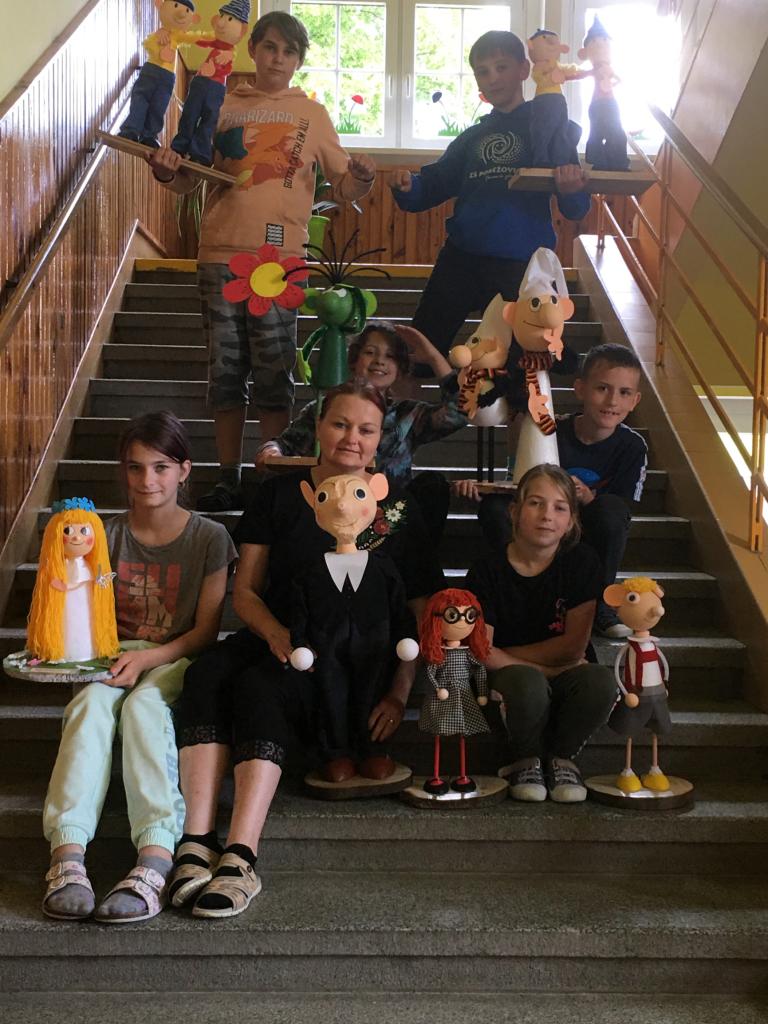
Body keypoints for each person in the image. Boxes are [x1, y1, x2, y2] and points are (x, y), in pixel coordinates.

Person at [171, 380, 443, 918]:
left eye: (366, 429)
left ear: (380, 438)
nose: (351, 438)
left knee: (259, 688)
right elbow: (245, 592)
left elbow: (415, 609)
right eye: (340, 424)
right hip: (278, 634)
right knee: (205, 676)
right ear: (318, 426)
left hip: (356, 659)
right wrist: (275, 634)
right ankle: (196, 841)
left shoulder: (395, 508)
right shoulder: (279, 494)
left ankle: (241, 856)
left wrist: (399, 691)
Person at [148, 11, 377, 513]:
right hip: (219, 256)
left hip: (280, 264)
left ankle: (272, 477)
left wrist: (362, 175)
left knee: (274, 374)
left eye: (289, 51)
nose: (278, 58)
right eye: (270, 47)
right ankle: (228, 477)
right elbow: (188, 178)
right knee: (225, 374)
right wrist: (166, 170)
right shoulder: (222, 102)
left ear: (299, 60)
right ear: (252, 49)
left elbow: (344, 187)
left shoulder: (312, 114)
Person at [41, 412, 236, 923]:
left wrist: (148, 658)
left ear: (184, 471)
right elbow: (85, 610)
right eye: (135, 467)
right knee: (88, 706)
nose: (147, 480)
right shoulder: (104, 534)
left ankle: (155, 857)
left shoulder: (210, 537)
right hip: (111, 653)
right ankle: (67, 855)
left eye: (161, 467)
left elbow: (205, 632)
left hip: (176, 655)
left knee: (144, 708)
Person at [390, 30, 591, 360]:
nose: (492, 78)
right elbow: (435, 183)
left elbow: (576, 206)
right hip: (461, 258)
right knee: (419, 351)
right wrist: (409, 186)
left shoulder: (550, 127)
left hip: (521, 267)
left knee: (518, 365)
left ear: (524, 70)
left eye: (501, 67)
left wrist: (572, 189)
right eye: (482, 72)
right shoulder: (472, 137)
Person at [464, 343, 647, 637]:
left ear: (635, 401)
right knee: (496, 509)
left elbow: (622, 507)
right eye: (602, 388)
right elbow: (521, 483)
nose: (612, 400)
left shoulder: (632, 446)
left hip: (587, 529)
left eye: (624, 393)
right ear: (580, 389)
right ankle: (507, 592)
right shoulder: (551, 429)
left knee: (611, 512)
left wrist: (588, 498)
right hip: (543, 520)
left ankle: (600, 602)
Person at [465, 464, 617, 804]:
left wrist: (508, 653)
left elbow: (573, 648)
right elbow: (482, 650)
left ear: (571, 521)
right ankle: (524, 759)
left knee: (600, 682)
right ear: (514, 511)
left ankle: (561, 758)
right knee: (527, 682)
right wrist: (547, 669)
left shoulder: (582, 563)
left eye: (560, 507)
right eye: (535, 503)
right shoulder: (487, 569)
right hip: (510, 682)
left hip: (564, 674)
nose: (547, 515)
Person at [255, 320, 467, 537]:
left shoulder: (408, 414)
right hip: (332, 508)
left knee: (433, 485)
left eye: (390, 356)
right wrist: (270, 451)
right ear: (354, 360)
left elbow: (460, 413)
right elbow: (283, 444)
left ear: (400, 369)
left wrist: (434, 358)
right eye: (370, 352)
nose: (379, 361)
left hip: (384, 520)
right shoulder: (324, 408)